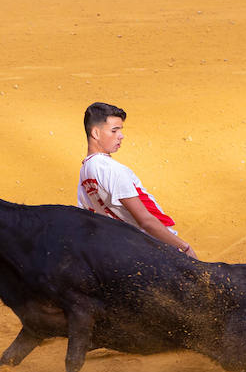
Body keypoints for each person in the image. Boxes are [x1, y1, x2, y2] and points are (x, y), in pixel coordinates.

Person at [77, 102, 198, 259]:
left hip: (124, 252)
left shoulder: (85, 170)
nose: (121, 136)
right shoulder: (112, 169)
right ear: (96, 133)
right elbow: (146, 221)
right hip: (158, 249)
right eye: (114, 131)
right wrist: (184, 247)